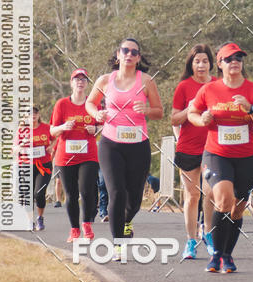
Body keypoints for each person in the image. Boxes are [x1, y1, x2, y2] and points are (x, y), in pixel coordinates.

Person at [188, 42, 253, 273]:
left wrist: (251, 110)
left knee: (238, 208)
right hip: (217, 154)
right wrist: (200, 119)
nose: (235, 61)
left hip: (248, 158)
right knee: (224, 199)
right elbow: (192, 113)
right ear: (220, 64)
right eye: (229, 58)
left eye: (238, 58)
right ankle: (215, 255)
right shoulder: (209, 90)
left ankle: (227, 254)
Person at [86, 39, 163, 259]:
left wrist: (147, 109)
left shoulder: (146, 81)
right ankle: (118, 244)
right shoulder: (104, 80)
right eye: (125, 50)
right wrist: (96, 114)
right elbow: (90, 103)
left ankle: (127, 221)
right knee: (116, 193)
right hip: (111, 144)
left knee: (135, 199)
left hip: (138, 145)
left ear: (138, 58)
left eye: (134, 52)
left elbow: (159, 111)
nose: (129, 54)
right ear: (118, 54)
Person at [171, 44, 216, 260]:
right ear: (191, 64)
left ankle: (208, 234)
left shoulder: (218, 85)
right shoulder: (183, 87)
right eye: (197, 61)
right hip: (188, 148)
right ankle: (190, 241)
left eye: (205, 61)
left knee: (210, 193)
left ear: (210, 64)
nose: (201, 65)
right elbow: (173, 119)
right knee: (192, 196)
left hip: (213, 148)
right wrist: (190, 109)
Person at [50, 70, 99, 241]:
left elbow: (106, 127)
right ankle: (74, 229)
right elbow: (52, 131)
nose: (80, 82)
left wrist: (96, 129)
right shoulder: (61, 104)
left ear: (87, 84)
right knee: (70, 194)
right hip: (66, 156)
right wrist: (63, 127)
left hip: (89, 155)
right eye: (77, 79)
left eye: (84, 79)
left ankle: (87, 224)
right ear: (71, 83)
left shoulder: (93, 104)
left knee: (86, 191)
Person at [13, 107, 53, 230]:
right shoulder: (21, 131)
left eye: (35, 113)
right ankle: (30, 221)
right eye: (30, 114)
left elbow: (57, 138)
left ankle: (40, 218)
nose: (33, 115)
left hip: (43, 165)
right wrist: (21, 145)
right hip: (25, 165)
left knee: (39, 193)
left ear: (38, 115)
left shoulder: (46, 128)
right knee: (27, 195)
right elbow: (13, 150)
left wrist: (52, 146)